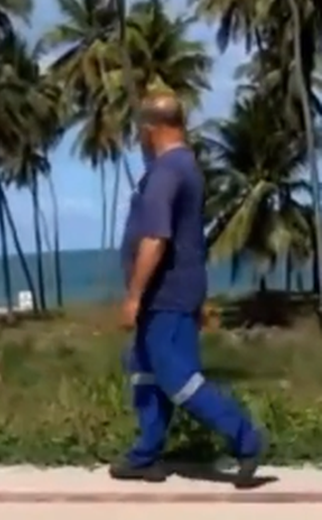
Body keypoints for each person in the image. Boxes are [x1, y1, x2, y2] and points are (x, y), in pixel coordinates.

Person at [112, 92, 264, 485]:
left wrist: (133, 296)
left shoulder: (167, 172)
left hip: (166, 294)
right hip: (176, 290)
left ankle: (246, 438)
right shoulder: (185, 166)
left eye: (140, 131)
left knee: (178, 378)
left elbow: (156, 238)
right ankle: (146, 453)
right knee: (144, 371)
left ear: (150, 129)